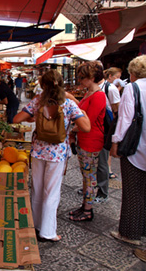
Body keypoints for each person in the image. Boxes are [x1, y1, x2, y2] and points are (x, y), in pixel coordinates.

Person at [13, 70, 90, 242]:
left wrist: (33, 119)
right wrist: (83, 113)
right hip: (57, 154)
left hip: (38, 151)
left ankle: (37, 225)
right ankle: (48, 232)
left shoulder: (37, 102)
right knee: (51, 192)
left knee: (37, 189)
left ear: (42, 85)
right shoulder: (68, 104)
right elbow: (86, 127)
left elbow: (17, 119)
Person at [110, 55, 146, 246]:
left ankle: (130, 233)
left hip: (137, 147)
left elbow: (125, 118)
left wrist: (115, 142)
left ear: (133, 73)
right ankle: (144, 228)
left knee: (133, 191)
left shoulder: (133, 88)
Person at [69, 61, 106, 222]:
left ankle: (88, 210)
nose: (80, 81)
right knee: (86, 176)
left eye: (82, 77)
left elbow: (87, 122)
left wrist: (71, 129)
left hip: (91, 140)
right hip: (84, 140)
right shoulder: (88, 93)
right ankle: (85, 205)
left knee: (89, 177)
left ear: (91, 77)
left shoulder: (98, 95)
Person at [94, 67, 121, 203]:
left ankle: (103, 192)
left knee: (103, 163)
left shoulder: (110, 89)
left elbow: (116, 111)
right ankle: (93, 188)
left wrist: (115, 135)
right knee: (95, 162)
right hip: (96, 129)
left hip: (105, 129)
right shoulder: (95, 88)